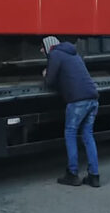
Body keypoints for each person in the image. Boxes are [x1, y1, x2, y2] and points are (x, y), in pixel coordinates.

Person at [42, 36, 100, 187]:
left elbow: (50, 81)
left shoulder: (55, 54)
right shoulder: (74, 54)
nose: (42, 51)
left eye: (43, 48)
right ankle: (94, 176)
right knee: (88, 135)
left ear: (49, 47)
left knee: (70, 133)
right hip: (93, 98)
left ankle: (72, 174)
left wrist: (45, 74)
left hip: (77, 101)